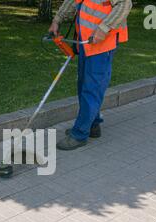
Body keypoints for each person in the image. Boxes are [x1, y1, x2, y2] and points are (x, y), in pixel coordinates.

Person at [49, 0, 132, 150]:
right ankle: (92, 125)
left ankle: (79, 134)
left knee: (92, 89)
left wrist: (103, 29)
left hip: (102, 43)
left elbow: (124, 4)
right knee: (83, 85)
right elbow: (73, 1)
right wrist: (57, 20)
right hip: (86, 42)